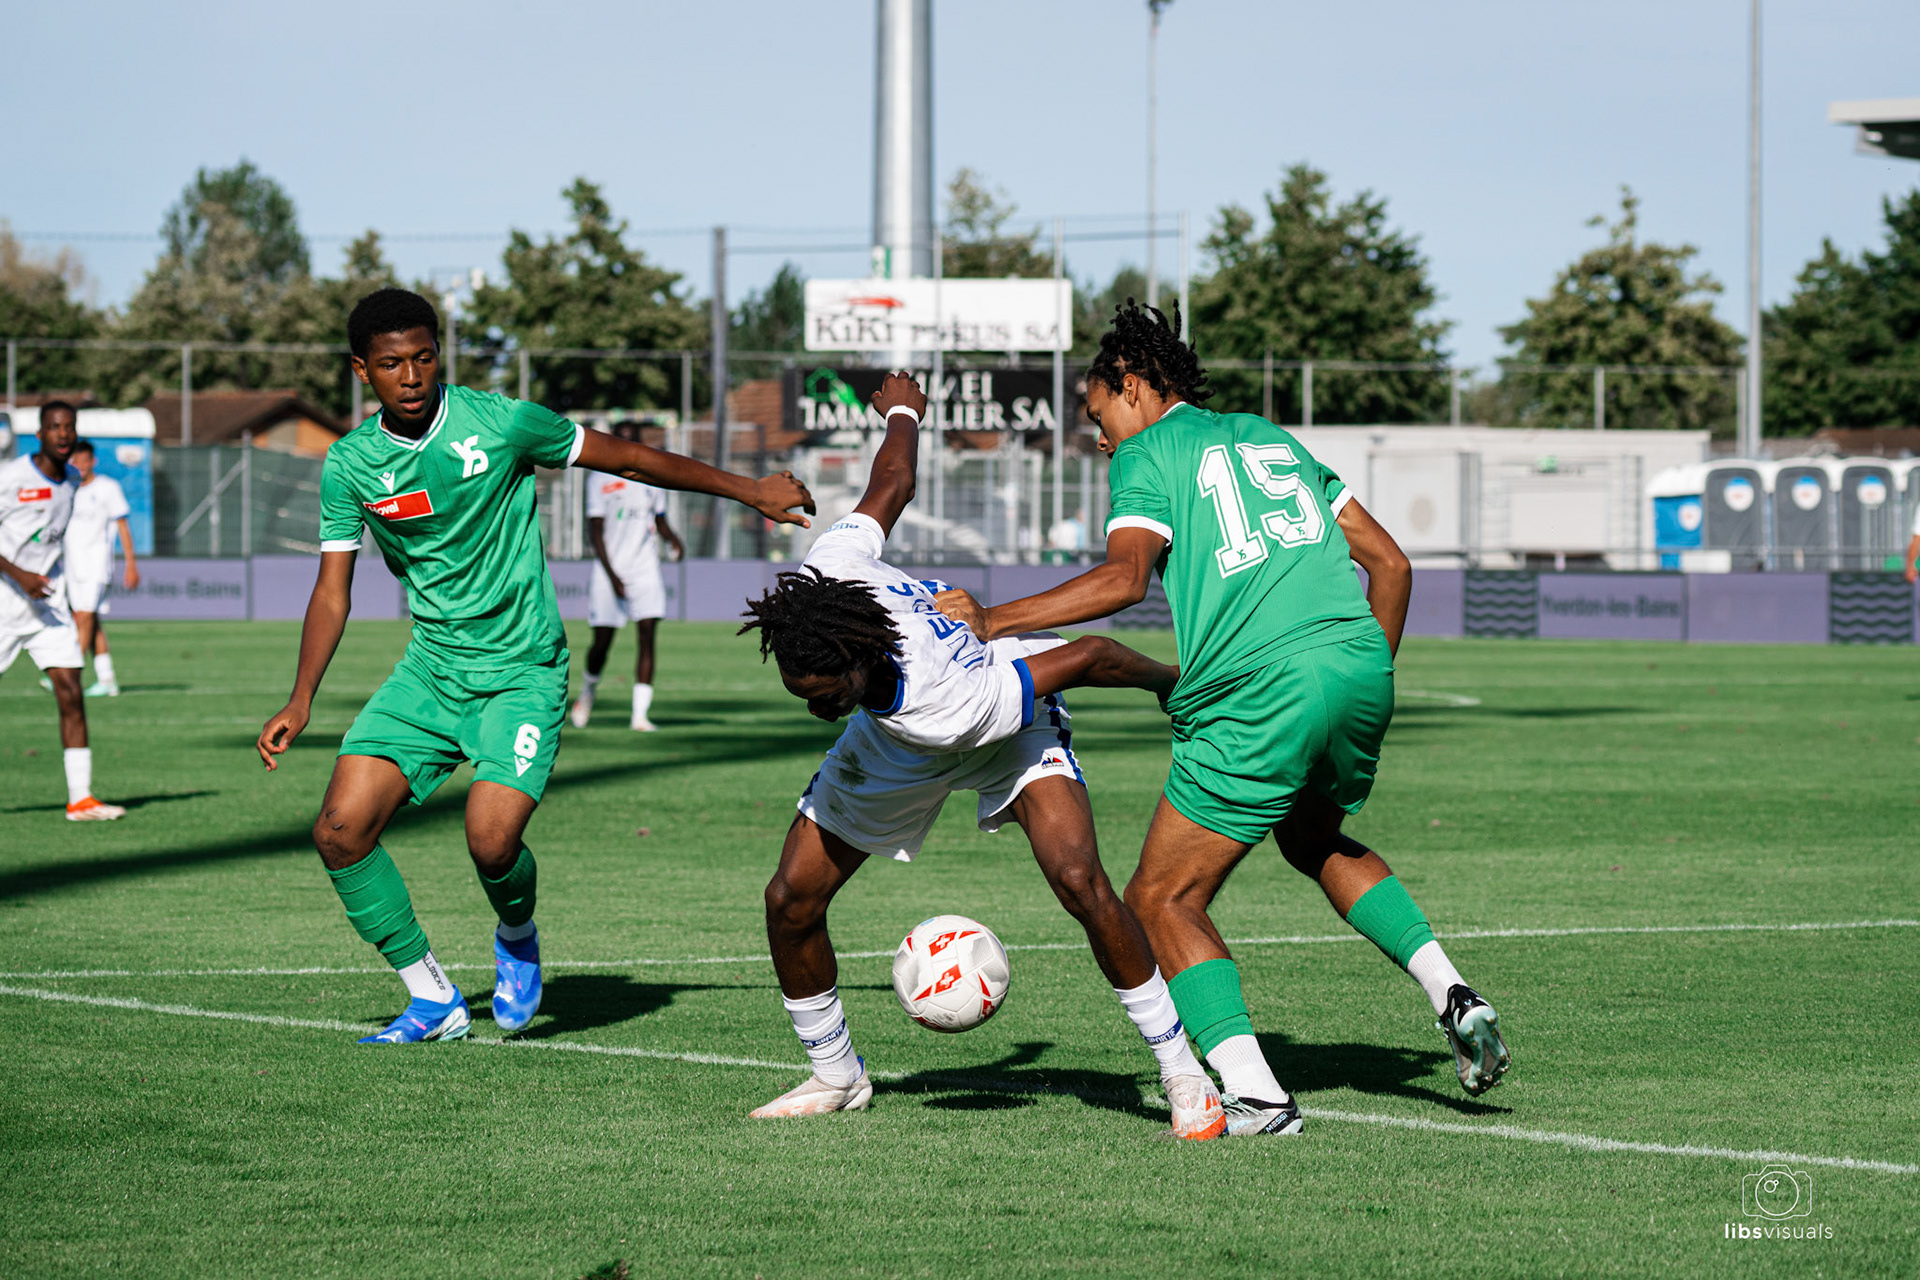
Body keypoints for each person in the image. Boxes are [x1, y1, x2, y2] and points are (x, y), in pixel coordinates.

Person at [936, 302, 1509, 1136]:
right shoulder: (1266, 435)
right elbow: (1389, 561)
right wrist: (1365, 670)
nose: (1099, 439)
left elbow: (1125, 580)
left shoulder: (1147, 453)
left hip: (1258, 690)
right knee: (1313, 836)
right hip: (1357, 665)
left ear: (1130, 386)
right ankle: (1451, 990)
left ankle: (1257, 1095)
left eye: (1098, 415)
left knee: (1162, 896)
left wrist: (993, 620)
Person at [255, 288, 814, 1045]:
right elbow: (332, 590)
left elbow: (635, 458)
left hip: (522, 671)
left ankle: (516, 931)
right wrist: (300, 698)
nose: (411, 376)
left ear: (439, 355)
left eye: (424, 357)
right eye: (391, 364)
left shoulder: (504, 423)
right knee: (339, 830)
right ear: (363, 371)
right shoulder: (350, 464)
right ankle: (433, 998)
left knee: (491, 841)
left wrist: (750, 491)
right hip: (429, 673)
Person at [738, 372, 1228, 1141]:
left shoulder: (941, 700)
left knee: (1080, 880)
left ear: (859, 663)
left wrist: (1171, 685)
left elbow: (1093, 654)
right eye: (804, 693)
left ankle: (1181, 1072)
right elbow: (892, 480)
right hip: (893, 739)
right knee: (789, 902)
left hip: (1004, 720)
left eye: (826, 692)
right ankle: (835, 1074)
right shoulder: (825, 579)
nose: (814, 707)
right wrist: (904, 407)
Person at [0, 402, 125, 820]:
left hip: (47, 609)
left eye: (69, 426)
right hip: (5, 603)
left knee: (71, 690)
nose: (63, 433)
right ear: (39, 435)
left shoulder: (72, 478)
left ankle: (80, 798)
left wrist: (43, 580)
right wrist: (20, 574)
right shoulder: (12, 477)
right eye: (54, 427)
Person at [570, 421, 685, 731]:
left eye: (633, 441)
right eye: (622, 441)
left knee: (647, 635)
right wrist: (613, 575)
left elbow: (659, 520)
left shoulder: (652, 480)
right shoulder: (598, 480)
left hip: (645, 567)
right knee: (602, 642)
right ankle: (588, 694)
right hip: (609, 569)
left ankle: (639, 716)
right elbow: (595, 533)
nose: (628, 447)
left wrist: (673, 539)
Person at [63, 439, 141, 697]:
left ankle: (68, 675)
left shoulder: (108, 488)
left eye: (85, 460)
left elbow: (123, 527)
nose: (80, 466)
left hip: (96, 566)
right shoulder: (66, 488)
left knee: (83, 617)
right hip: (70, 567)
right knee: (91, 621)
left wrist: (131, 564)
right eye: (75, 460)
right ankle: (107, 680)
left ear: (93, 461)